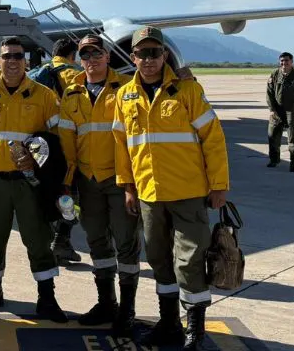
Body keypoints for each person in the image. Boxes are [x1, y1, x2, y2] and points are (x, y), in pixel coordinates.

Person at [113, 26, 229, 351]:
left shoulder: (187, 91)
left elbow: (213, 139)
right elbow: (122, 146)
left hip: (188, 192)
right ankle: (168, 325)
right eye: (142, 53)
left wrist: (218, 185)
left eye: (154, 53)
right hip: (149, 193)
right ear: (132, 57)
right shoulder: (124, 97)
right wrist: (127, 187)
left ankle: (195, 329)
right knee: (159, 260)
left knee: (190, 261)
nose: (148, 60)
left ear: (164, 55)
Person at [0, 36, 68, 322]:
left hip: (29, 182)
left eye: (18, 56)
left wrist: (45, 169)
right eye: (7, 56)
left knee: (38, 240)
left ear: (27, 61)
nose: (12, 61)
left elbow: (57, 142)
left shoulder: (43, 95)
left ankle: (47, 298)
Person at [58, 35, 139, 336]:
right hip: (87, 180)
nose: (91, 59)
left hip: (119, 180)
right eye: (85, 55)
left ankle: (127, 310)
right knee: (97, 242)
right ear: (79, 59)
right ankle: (107, 303)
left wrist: (131, 182)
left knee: (127, 244)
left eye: (97, 54)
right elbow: (68, 141)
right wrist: (66, 183)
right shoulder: (72, 93)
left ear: (107, 56)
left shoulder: (126, 90)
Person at [30, 38, 84, 266]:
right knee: (71, 197)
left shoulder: (36, 73)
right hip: (69, 145)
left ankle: (50, 240)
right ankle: (61, 241)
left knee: (49, 192)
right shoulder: (75, 75)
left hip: (43, 145)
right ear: (72, 55)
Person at [266, 51, 294, 171]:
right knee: (272, 136)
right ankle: (274, 160)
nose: (284, 63)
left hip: (292, 111)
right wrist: (271, 109)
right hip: (276, 111)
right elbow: (269, 93)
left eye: (286, 61)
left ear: (291, 62)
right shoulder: (275, 74)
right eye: (282, 61)